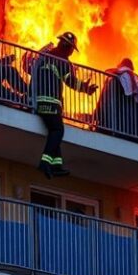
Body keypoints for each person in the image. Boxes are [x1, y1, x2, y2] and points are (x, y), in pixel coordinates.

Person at [33, 32, 97, 179]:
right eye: (72, 49)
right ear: (68, 48)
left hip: (40, 101)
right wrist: (86, 88)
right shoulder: (63, 61)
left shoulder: (47, 56)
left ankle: (56, 165)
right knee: (58, 131)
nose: (71, 52)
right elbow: (71, 81)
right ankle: (44, 163)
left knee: (54, 131)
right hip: (52, 101)